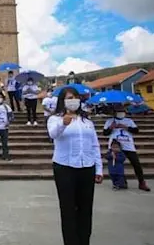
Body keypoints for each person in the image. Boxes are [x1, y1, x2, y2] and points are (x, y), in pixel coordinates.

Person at [47, 87, 103, 245]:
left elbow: (95, 145)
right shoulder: (55, 119)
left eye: (75, 97)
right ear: (62, 101)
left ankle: (84, 241)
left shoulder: (87, 122)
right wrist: (63, 123)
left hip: (87, 167)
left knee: (86, 209)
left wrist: (98, 168)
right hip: (65, 168)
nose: (73, 100)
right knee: (68, 209)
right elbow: (52, 134)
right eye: (69, 97)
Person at [103, 105, 151, 191]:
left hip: (129, 146)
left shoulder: (129, 121)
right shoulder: (110, 121)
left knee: (136, 164)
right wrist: (111, 127)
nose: (121, 112)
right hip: (116, 147)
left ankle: (141, 182)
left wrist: (125, 127)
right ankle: (122, 183)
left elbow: (136, 131)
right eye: (119, 111)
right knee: (118, 166)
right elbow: (105, 133)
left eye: (122, 110)